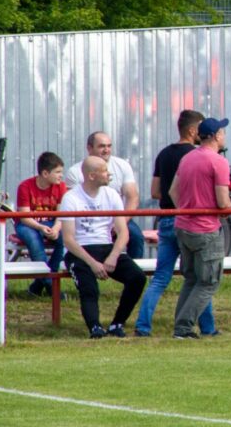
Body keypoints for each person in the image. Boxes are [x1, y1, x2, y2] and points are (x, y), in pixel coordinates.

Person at [134, 110, 216, 338]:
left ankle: (143, 326)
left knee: (160, 277)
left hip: (166, 220)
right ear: (192, 131)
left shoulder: (164, 154)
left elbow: (155, 191)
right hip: (190, 222)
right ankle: (208, 327)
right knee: (201, 278)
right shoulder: (198, 155)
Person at [60, 156, 147, 338]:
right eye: (105, 171)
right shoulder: (70, 198)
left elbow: (123, 232)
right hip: (81, 251)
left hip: (107, 247)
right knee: (89, 288)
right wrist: (92, 263)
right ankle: (95, 327)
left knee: (137, 278)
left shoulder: (112, 195)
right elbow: (68, 239)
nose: (110, 174)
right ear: (92, 176)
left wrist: (114, 256)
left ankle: (117, 324)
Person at [169, 116, 231, 339]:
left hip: (183, 227)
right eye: (222, 132)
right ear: (216, 136)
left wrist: (187, 210)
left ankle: (181, 327)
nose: (224, 136)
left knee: (192, 279)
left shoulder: (188, 158)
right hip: (206, 229)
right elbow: (223, 201)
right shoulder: (219, 161)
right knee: (208, 281)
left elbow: (173, 192)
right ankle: (183, 328)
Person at [66, 131, 145, 259]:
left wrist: (122, 221)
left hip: (117, 217)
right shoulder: (75, 172)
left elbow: (133, 197)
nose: (106, 150)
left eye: (109, 146)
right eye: (102, 146)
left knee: (135, 235)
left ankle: (133, 269)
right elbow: (72, 203)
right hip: (87, 219)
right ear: (89, 148)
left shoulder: (122, 166)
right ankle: (85, 266)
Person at [14, 152, 68, 297]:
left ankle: (39, 284)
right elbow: (24, 217)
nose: (61, 176)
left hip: (52, 221)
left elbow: (61, 213)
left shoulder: (61, 187)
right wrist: (40, 227)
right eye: (57, 172)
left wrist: (56, 228)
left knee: (65, 239)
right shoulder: (25, 186)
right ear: (45, 173)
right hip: (27, 223)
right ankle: (51, 286)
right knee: (34, 241)